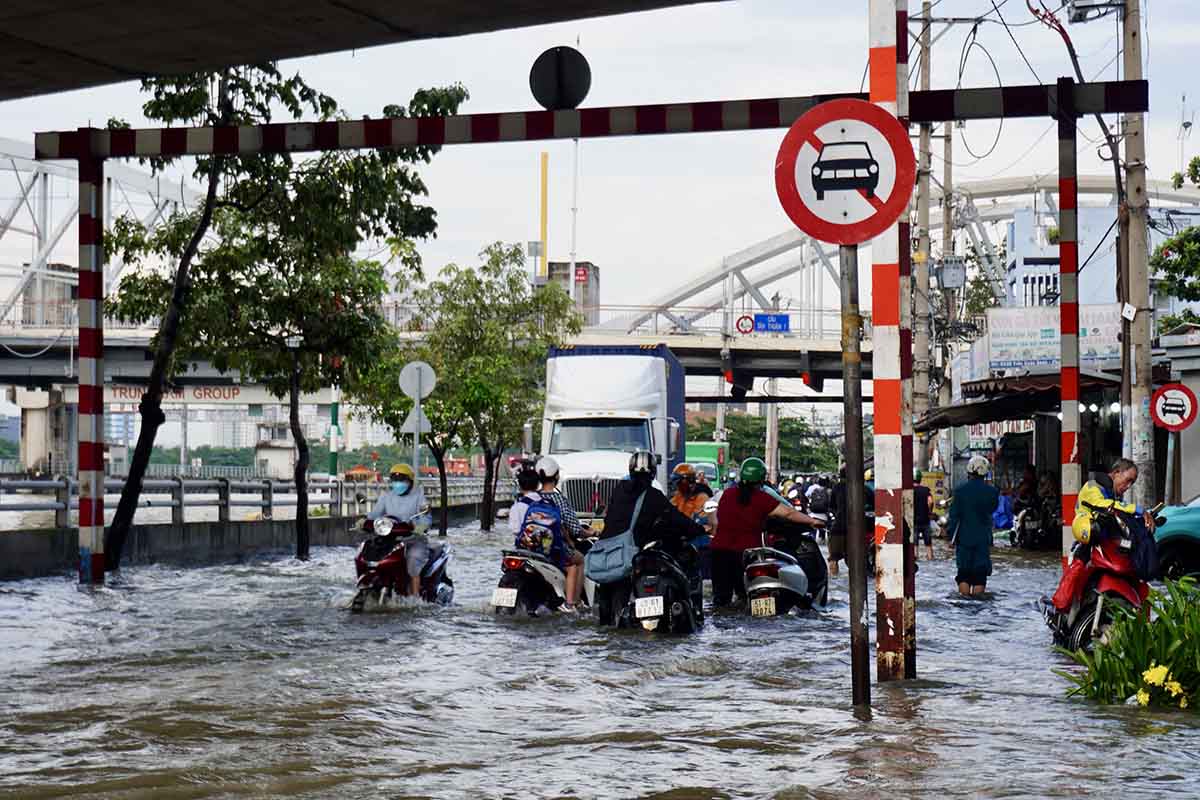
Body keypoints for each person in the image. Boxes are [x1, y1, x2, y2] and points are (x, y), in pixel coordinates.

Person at [596, 450, 707, 624]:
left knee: (606, 615)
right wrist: (699, 529)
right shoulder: (654, 496)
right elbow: (677, 519)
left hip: (610, 556)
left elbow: (610, 518)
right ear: (653, 473)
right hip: (632, 555)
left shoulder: (619, 491)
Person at [710, 456, 826, 607]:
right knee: (745, 598)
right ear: (761, 478)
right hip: (746, 554)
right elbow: (788, 513)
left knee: (720, 600)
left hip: (719, 552)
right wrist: (813, 521)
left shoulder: (727, 494)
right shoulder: (762, 498)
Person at [366, 463, 432, 598]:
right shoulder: (386, 497)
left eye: (401, 480)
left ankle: (415, 597)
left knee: (413, 560)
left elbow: (426, 517)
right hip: (389, 540)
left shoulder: (418, 496)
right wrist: (364, 522)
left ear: (410, 481)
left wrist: (421, 526)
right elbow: (374, 515)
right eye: (395, 480)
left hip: (413, 540)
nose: (398, 483)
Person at [536, 456, 586, 611]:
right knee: (578, 561)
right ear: (556, 476)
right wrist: (589, 532)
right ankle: (572, 603)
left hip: (533, 546)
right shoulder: (559, 499)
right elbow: (575, 529)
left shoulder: (533, 497)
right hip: (555, 547)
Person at [947, 455, 1000, 596]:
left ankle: (964, 603)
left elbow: (954, 517)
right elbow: (992, 510)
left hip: (963, 539)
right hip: (983, 539)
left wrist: (950, 537)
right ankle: (977, 604)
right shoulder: (993, 492)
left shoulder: (959, 491)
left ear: (969, 471)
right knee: (980, 575)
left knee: (964, 573)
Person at [913, 469, 934, 560]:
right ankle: (930, 557)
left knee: (914, 542)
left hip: (914, 520)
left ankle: (915, 556)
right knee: (928, 542)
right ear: (920, 479)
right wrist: (929, 511)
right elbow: (930, 501)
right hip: (925, 519)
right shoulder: (926, 490)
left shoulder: (910, 490)